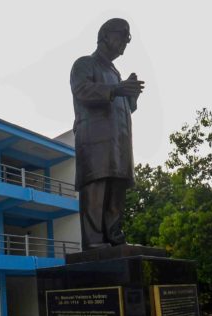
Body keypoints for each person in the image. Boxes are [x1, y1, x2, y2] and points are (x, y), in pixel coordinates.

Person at [70, 18, 144, 250]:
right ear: (105, 35)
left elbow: (122, 108)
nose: (125, 42)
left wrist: (131, 96)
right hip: (95, 142)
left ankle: (114, 236)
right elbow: (82, 91)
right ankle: (94, 242)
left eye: (128, 38)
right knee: (97, 187)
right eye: (123, 36)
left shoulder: (115, 73)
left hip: (119, 143)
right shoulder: (84, 64)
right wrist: (117, 89)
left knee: (116, 190)